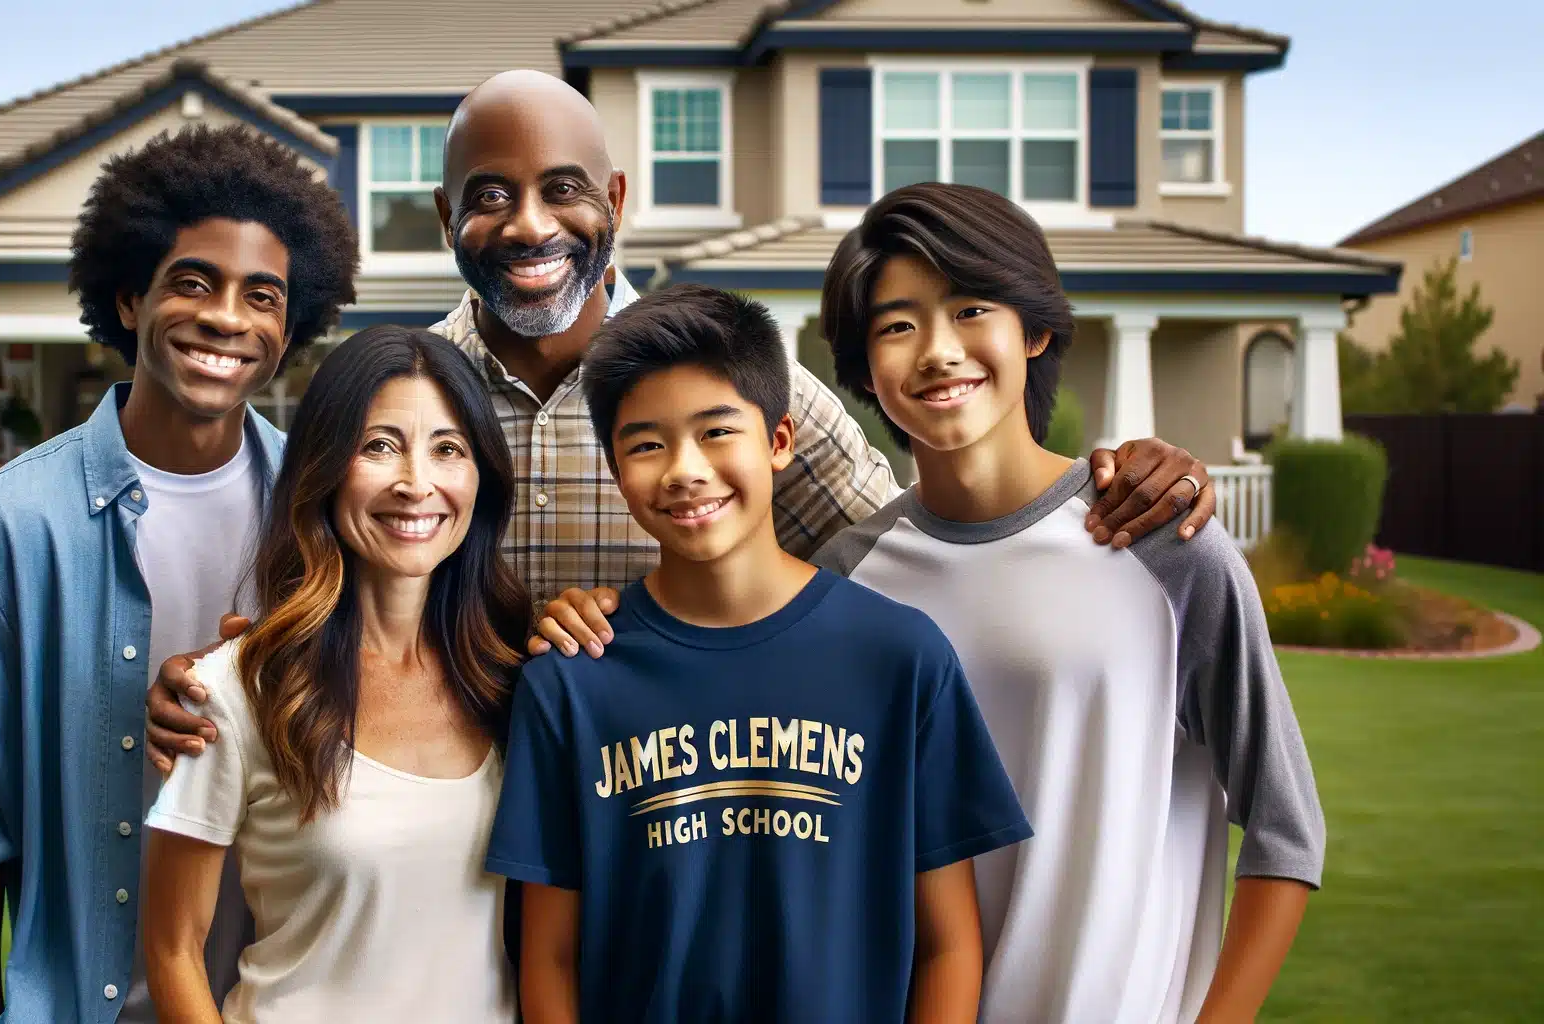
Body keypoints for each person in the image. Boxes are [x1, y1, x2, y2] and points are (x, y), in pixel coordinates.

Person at [146, 68, 1219, 758]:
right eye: (487, 196)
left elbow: (924, 563)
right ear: (445, 217)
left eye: (562, 190)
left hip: (685, 833)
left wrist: (1098, 480)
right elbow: (301, 607)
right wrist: (218, 686)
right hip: (438, 831)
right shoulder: (404, 401)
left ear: (614, 204)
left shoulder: (750, 394)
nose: (527, 226)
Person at [807, 183, 1325, 1022]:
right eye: (898, 326)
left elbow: (1286, 832)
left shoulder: (1162, 542)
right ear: (867, 367)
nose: (938, 352)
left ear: (1035, 328)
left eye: (971, 309)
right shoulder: (840, 583)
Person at [0, 123, 357, 1024]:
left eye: (262, 296)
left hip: (281, 995)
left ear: (289, 327)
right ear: (126, 300)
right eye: (194, 282)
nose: (228, 317)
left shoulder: (326, 511)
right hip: (81, 1004)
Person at [484, 284, 1033, 1022]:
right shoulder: (571, 682)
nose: (684, 470)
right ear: (617, 472)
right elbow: (547, 956)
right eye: (646, 444)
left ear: (778, 443)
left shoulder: (898, 658)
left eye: (716, 432)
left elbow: (950, 945)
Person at [140, 326, 531, 1022]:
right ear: (324, 466)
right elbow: (173, 945)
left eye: (448, 449)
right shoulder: (238, 687)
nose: (417, 483)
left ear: (481, 479)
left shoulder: (509, 679)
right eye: (379, 446)